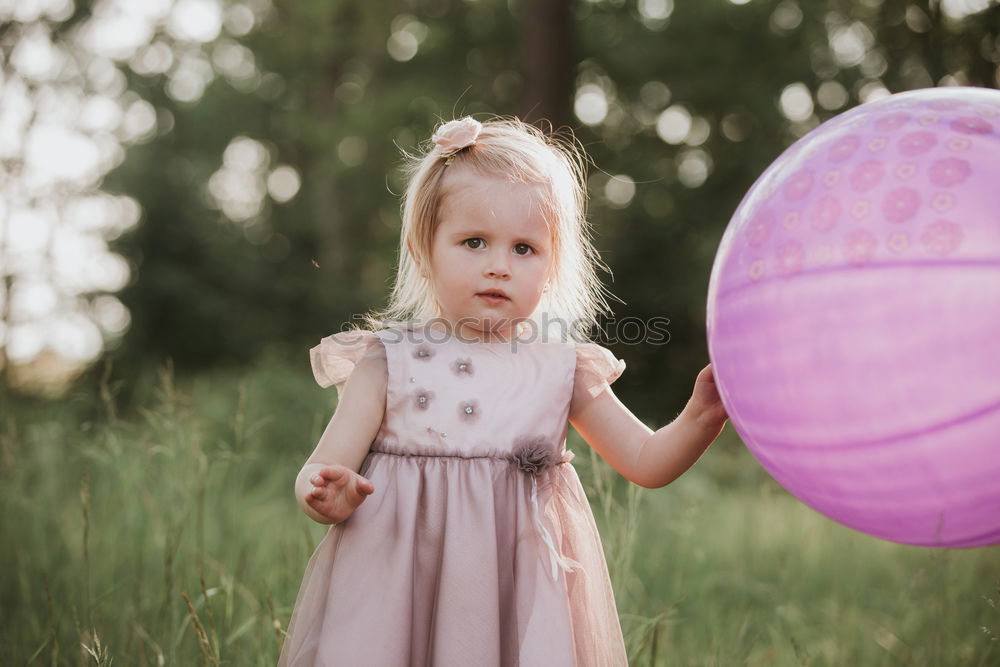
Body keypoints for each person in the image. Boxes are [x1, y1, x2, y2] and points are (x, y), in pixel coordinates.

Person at [277, 116, 728, 666]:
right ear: (424, 248)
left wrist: (702, 416)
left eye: (524, 249)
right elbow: (318, 471)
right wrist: (326, 493)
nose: (498, 266)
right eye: (474, 242)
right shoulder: (388, 362)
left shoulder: (561, 368)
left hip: (515, 598)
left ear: (552, 262)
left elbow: (646, 461)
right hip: (397, 590)